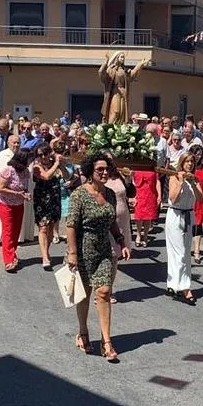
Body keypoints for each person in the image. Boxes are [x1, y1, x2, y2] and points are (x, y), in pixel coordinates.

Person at [66, 153, 131, 362]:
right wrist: (73, 254)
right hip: (83, 250)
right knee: (84, 294)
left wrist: (121, 241)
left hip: (104, 249)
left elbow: (112, 221)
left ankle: (106, 341)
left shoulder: (110, 194)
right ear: (90, 172)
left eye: (106, 169)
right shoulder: (79, 194)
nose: (104, 173)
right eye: (99, 170)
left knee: (103, 291)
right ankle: (83, 332)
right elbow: (71, 226)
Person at [166, 152, 202, 305]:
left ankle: (173, 283)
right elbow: (173, 198)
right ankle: (185, 288)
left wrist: (193, 183)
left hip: (188, 216)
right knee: (179, 252)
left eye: (192, 162)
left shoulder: (194, 179)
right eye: (187, 161)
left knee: (185, 252)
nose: (189, 164)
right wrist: (181, 182)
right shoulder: (174, 177)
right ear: (181, 163)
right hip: (175, 215)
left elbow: (200, 198)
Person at [104, 155, 135, 303]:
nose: (111, 163)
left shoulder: (120, 175)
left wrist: (129, 180)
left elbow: (131, 193)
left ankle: (109, 289)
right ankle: (102, 289)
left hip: (122, 219)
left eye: (112, 160)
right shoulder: (100, 177)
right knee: (106, 256)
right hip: (107, 220)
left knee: (115, 256)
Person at [0, 149, 32, 271]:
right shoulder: (8, 171)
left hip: (18, 204)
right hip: (5, 204)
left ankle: (12, 253)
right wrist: (17, 193)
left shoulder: (26, 172)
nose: (30, 161)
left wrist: (26, 194)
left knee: (16, 232)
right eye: (28, 159)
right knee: (8, 232)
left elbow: (24, 188)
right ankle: (8, 260)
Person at [32, 142, 66, 269]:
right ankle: (44, 257)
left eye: (45, 153)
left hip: (54, 197)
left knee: (51, 227)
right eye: (40, 154)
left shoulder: (54, 164)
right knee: (43, 228)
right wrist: (56, 164)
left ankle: (46, 250)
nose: (43, 157)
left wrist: (61, 163)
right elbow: (45, 176)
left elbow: (67, 176)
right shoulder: (36, 166)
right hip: (42, 199)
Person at [99, 50, 151, 124]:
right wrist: (106, 61)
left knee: (121, 113)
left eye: (124, 57)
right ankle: (110, 128)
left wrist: (140, 65)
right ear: (117, 58)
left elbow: (132, 74)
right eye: (121, 57)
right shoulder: (111, 69)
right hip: (115, 93)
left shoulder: (124, 70)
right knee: (115, 112)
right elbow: (101, 73)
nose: (123, 59)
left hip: (123, 95)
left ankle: (119, 129)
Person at [57, 140, 81, 243]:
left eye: (64, 152)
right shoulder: (54, 162)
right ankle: (55, 234)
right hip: (57, 190)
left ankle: (68, 234)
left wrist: (71, 182)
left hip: (68, 190)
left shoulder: (70, 162)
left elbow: (76, 174)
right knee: (57, 213)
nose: (63, 155)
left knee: (68, 212)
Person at [191, 144, 203, 264]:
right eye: (196, 154)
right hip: (189, 201)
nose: (198, 157)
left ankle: (197, 251)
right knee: (189, 227)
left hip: (201, 201)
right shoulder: (187, 168)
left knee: (198, 226)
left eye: (200, 154)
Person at [132, 165, 160, 247]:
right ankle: (138, 234)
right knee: (139, 216)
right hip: (139, 194)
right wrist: (132, 196)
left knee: (148, 217)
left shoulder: (152, 167)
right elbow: (131, 182)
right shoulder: (136, 167)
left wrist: (159, 196)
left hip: (150, 194)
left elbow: (157, 181)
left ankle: (145, 236)